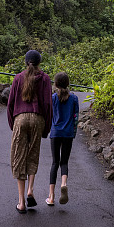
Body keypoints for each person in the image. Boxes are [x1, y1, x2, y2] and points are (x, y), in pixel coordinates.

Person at [7, 49, 52, 214]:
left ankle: (21, 203)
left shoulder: (18, 78)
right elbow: (48, 105)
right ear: (39, 62)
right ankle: (30, 190)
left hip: (20, 118)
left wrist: (13, 125)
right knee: (33, 155)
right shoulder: (45, 79)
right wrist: (46, 128)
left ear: (26, 62)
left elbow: (10, 103)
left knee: (19, 158)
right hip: (38, 119)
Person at [45, 71, 79, 206]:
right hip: (68, 133)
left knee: (55, 162)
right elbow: (75, 118)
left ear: (56, 84)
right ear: (68, 83)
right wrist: (73, 133)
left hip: (55, 132)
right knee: (64, 162)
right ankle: (63, 184)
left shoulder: (53, 98)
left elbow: (48, 114)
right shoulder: (74, 98)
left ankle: (51, 197)